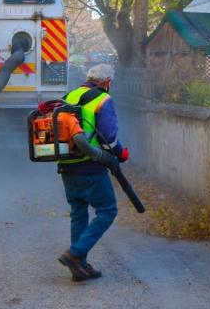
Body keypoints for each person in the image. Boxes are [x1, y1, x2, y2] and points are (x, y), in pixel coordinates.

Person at [55, 64, 129, 281]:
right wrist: (121, 153)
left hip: (67, 166)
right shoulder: (103, 99)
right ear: (107, 81)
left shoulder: (69, 95)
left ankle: (79, 268)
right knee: (107, 210)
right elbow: (108, 138)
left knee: (79, 213)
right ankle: (74, 254)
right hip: (91, 166)